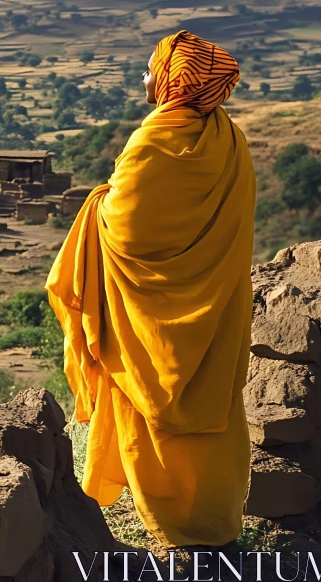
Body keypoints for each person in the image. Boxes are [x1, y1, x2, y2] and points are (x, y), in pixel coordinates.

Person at [45, 29, 256, 547]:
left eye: (151, 69)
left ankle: (175, 532)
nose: (143, 78)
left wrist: (96, 204)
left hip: (148, 321)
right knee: (212, 410)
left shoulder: (155, 139)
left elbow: (128, 223)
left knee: (152, 410)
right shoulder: (228, 140)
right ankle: (215, 529)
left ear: (173, 81)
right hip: (217, 311)